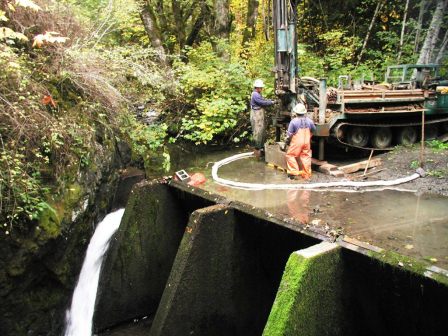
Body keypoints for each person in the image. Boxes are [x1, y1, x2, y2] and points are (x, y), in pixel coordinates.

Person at [285, 103, 316, 180]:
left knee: (290, 155)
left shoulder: (293, 122)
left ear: (296, 112)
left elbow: (289, 135)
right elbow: (314, 130)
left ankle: (294, 173)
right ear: (304, 112)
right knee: (306, 156)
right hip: (307, 141)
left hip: (297, 142)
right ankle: (306, 175)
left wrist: (288, 142)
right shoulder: (309, 121)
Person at [250, 79, 275, 154]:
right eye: (261, 87)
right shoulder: (255, 94)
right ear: (257, 87)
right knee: (258, 132)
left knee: (261, 132)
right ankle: (257, 149)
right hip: (256, 115)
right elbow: (262, 102)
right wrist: (272, 102)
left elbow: (263, 100)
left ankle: (260, 148)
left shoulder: (257, 93)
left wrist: (270, 100)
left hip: (259, 114)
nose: (262, 89)